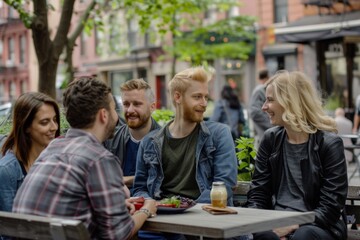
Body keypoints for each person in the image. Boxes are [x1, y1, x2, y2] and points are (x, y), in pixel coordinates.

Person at [12, 77, 157, 239]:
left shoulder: (52, 148)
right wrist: (147, 209)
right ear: (104, 115)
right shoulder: (99, 159)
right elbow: (119, 234)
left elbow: (68, 203)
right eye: (113, 109)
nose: (118, 116)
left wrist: (116, 205)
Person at [133, 66, 244, 239]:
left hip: (206, 222)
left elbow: (225, 184)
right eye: (197, 97)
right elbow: (139, 188)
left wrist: (186, 209)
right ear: (177, 97)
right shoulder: (150, 142)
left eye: (206, 97)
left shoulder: (219, 134)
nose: (204, 103)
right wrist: (153, 205)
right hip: (162, 223)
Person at [246, 71, 348, 240]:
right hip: (276, 224)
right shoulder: (270, 140)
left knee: (303, 235)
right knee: (264, 236)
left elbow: (329, 208)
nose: (264, 107)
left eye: (270, 100)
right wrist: (263, 225)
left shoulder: (329, 144)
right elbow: (258, 194)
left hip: (318, 227)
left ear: (290, 103)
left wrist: (292, 226)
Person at [0, 92, 60, 212]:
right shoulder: (6, 171)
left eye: (55, 120)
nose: (54, 127)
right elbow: (9, 226)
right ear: (26, 126)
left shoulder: (54, 162)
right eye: (44, 122)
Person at [105, 78, 160, 195]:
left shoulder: (165, 141)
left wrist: (123, 180)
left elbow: (165, 180)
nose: (130, 110)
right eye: (126, 104)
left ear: (152, 107)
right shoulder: (109, 139)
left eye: (137, 104)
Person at [249, 69, 272, 147]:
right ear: (267, 77)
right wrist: (270, 124)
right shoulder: (260, 90)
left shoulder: (260, 90)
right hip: (264, 132)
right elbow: (254, 112)